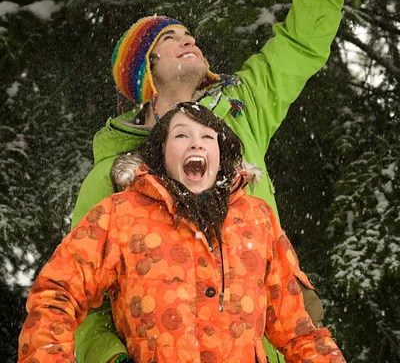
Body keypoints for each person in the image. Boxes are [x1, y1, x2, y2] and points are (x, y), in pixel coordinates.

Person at [72, 0, 353, 363]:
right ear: (145, 73)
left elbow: (302, 43)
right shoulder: (111, 173)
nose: (189, 40)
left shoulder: (242, 111)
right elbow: (82, 303)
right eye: (169, 38)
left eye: (190, 33)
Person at [18, 103, 346, 363]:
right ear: (161, 153)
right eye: (181, 135)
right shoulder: (122, 214)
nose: (196, 143)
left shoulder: (256, 219)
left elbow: (299, 331)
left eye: (208, 137)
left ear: (221, 154)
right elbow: (56, 293)